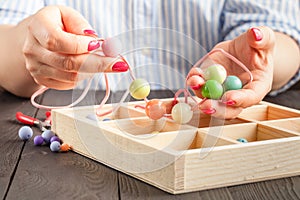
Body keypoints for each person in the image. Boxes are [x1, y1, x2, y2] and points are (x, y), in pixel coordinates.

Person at [0, 0, 299, 119]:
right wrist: (38, 44)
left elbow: (281, 34)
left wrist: (260, 55)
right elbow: (6, 40)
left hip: (209, 116)